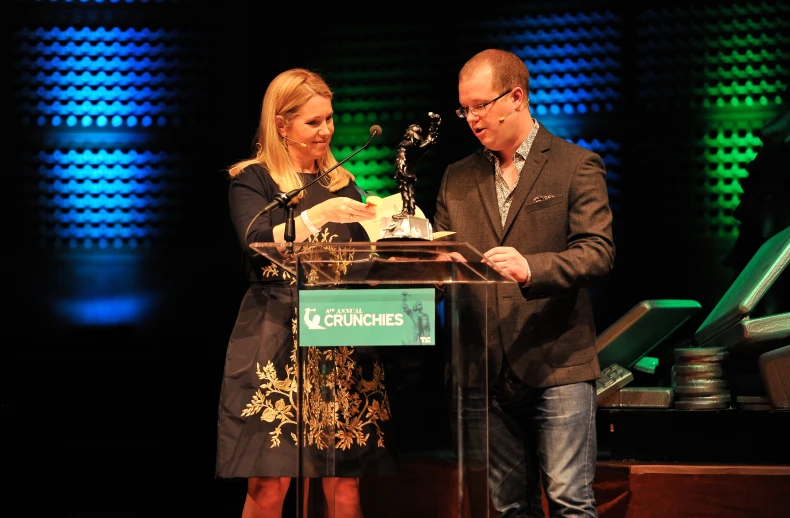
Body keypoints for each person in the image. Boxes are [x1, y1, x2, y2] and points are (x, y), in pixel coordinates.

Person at [433, 49, 615, 517]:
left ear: (516, 98)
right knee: (509, 508)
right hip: (487, 369)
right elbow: (442, 264)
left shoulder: (575, 165)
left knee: (570, 501)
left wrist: (531, 268)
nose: (471, 118)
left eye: (480, 105)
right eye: (464, 109)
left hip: (557, 363)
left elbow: (597, 252)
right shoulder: (457, 178)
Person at [216, 68, 394, 518]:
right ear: (282, 125)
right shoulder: (253, 180)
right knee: (269, 479)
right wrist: (318, 216)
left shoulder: (343, 182)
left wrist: (391, 233)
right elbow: (255, 240)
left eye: (329, 119)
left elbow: (362, 261)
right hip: (275, 334)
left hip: (339, 333)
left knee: (343, 479)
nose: (327, 129)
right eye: (313, 122)